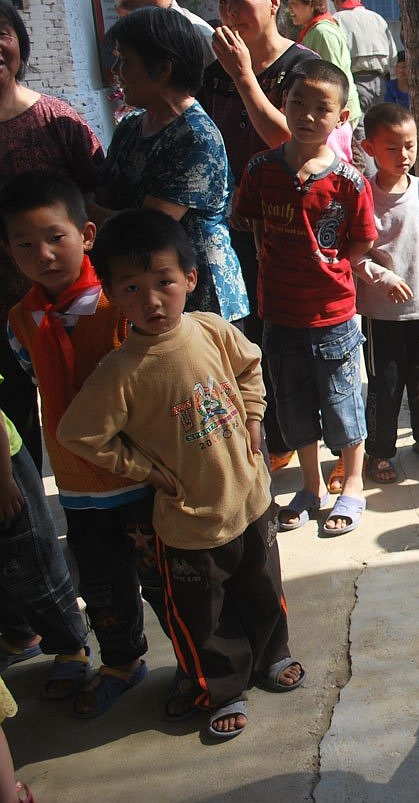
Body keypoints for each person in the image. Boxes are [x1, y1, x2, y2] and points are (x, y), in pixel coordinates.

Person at [58, 210, 305, 742]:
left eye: (164, 282)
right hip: (189, 523)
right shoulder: (121, 372)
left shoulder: (212, 330)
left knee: (263, 590)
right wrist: (144, 470)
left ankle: (271, 657)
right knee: (204, 618)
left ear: (190, 279)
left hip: (252, 499)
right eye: (132, 288)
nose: (152, 300)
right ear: (113, 294)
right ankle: (222, 689)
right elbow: (77, 434)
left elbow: (250, 365)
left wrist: (256, 417)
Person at [1, 173, 163, 720]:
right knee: (101, 581)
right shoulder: (22, 320)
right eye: (25, 244)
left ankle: (200, 657)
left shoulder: (120, 306)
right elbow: (33, 383)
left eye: (55, 237)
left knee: (163, 576)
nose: (42, 255)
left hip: (140, 470)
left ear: (87, 234)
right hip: (77, 479)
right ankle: (121, 661)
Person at [232, 59, 376, 537]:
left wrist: (331, 266)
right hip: (279, 311)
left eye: (322, 108)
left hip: (332, 314)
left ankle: (352, 483)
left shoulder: (350, 182)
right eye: (297, 103)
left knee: (341, 401)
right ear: (283, 105)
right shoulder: (261, 169)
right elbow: (250, 222)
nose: (308, 115)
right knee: (293, 405)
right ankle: (311, 485)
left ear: (340, 117)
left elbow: (362, 241)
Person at [198, 0, 320, 471]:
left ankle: (310, 438)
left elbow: (292, 141)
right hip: (232, 226)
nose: (230, 12)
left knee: (296, 335)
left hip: (292, 223)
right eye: (223, 2)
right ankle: (269, 435)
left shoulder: (304, 68)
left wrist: (245, 75)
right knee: (247, 336)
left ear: (274, 2)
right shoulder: (213, 72)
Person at [0, 0, 104, 474]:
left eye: (2, 32)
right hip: (6, 305)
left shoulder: (54, 117)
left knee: (89, 404)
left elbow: (97, 196)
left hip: (72, 303)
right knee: (12, 414)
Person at [96, 6, 249, 326]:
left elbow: (148, 228)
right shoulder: (131, 125)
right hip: (148, 300)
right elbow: (102, 194)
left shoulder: (195, 136)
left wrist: (90, 212)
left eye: (126, 61)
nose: (117, 72)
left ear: (163, 68)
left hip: (202, 305)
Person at [356, 102, 419, 480]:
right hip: (381, 314)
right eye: (393, 148)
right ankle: (379, 451)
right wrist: (382, 277)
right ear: (370, 149)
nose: (404, 155)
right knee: (385, 384)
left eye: (410, 145)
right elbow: (352, 254)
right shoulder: (363, 194)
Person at [0, 357, 91, 707]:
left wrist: (5, 478)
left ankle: (71, 645)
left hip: (4, 472)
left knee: (30, 563)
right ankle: (20, 633)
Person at [285, 0, 362, 129]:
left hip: (338, 114)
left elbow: (334, 76)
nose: (290, 9)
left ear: (311, 5)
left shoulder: (322, 32)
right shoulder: (314, 29)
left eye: (294, 4)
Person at [328, 0, 397, 121]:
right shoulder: (377, 18)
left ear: (335, 0)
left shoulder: (335, 20)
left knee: (359, 126)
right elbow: (393, 55)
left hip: (354, 83)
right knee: (380, 125)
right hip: (382, 82)